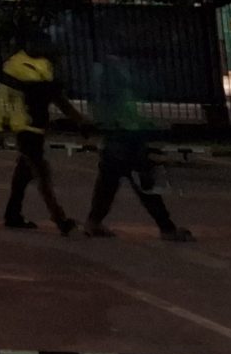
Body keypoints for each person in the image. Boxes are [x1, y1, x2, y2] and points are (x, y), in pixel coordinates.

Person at [82, 49, 195, 241]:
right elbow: (120, 114)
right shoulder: (113, 90)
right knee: (142, 182)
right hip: (125, 137)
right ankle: (166, 227)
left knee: (108, 182)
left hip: (120, 136)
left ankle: (94, 222)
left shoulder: (110, 90)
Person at [0, 28, 81, 232]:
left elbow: (54, 96)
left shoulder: (44, 66)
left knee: (23, 174)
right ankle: (60, 219)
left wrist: (77, 118)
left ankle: (12, 214)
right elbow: (3, 98)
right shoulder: (15, 67)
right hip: (25, 127)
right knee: (42, 173)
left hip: (37, 126)